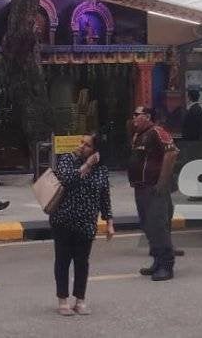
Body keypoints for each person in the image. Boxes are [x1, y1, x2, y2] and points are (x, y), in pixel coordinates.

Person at [50, 133, 114, 316]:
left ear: (95, 151)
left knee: (82, 262)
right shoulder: (67, 160)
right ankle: (63, 300)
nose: (82, 146)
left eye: (87, 145)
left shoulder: (101, 170)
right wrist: (86, 165)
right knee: (63, 261)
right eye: (81, 142)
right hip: (63, 219)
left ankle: (80, 300)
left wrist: (109, 221)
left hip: (87, 222)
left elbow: (104, 196)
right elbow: (67, 180)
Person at [128, 106, 179, 281]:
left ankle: (166, 265)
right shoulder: (139, 136)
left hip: (153, 189)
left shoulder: (157, 131)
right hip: (141, 188)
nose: (134, 118)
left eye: (137, 114)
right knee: (148, 227)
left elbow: (171, 153)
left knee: (158, 227)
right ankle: (157, 261)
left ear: (148, 116)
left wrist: (162, 183)